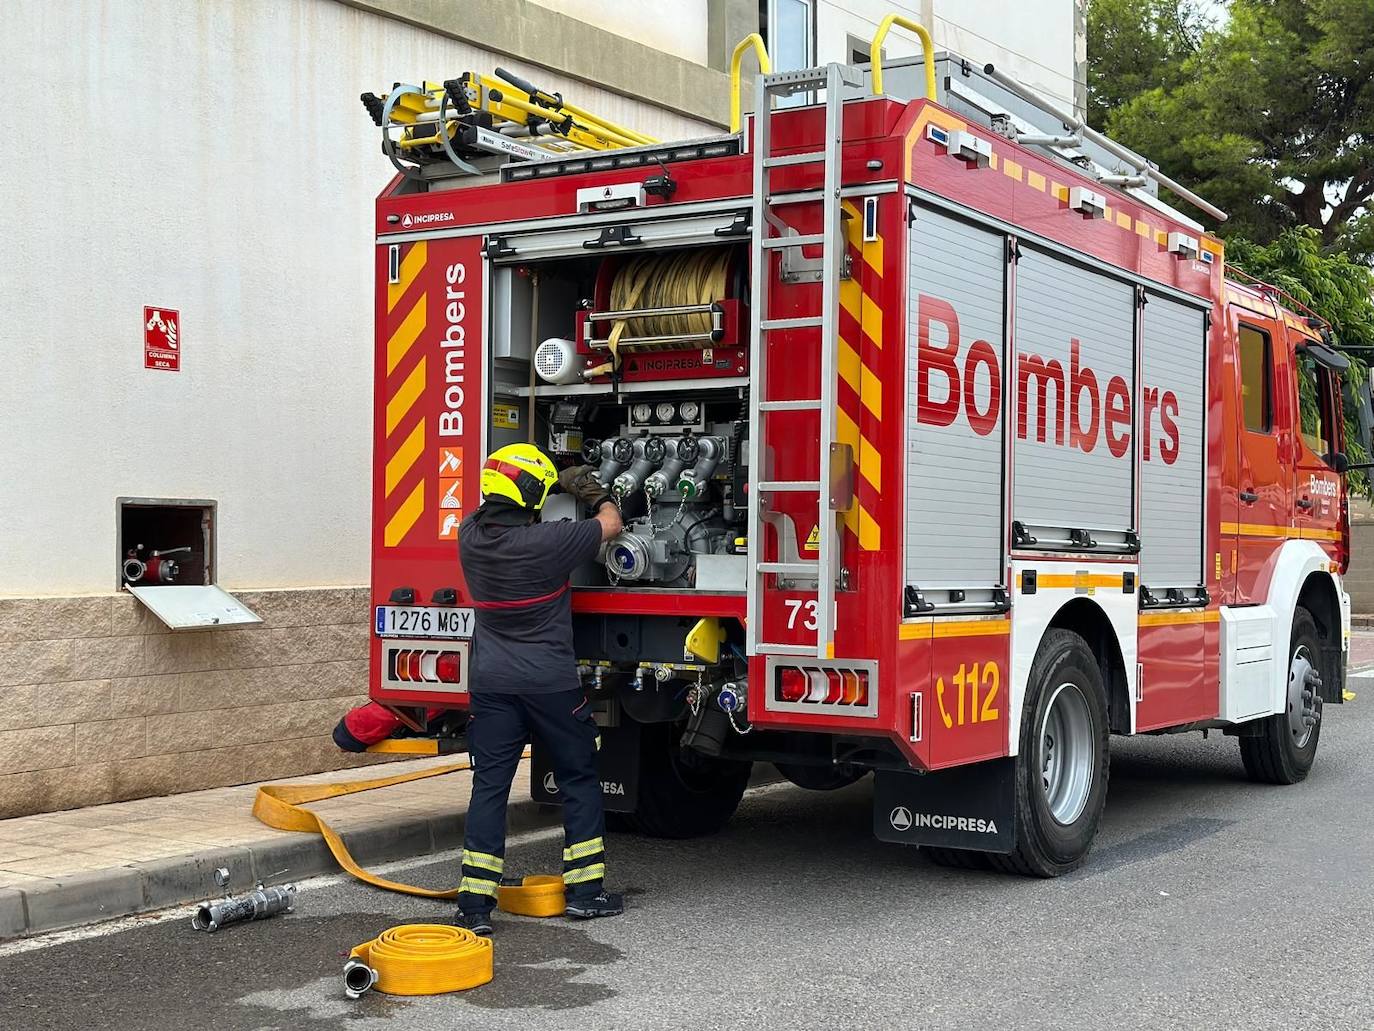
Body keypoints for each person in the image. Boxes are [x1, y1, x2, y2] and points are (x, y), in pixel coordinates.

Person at [453, 442, 625, 935]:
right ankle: (586, 894)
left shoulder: (469, 537)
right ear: (531, 495)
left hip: (491, 687)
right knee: (577, 778)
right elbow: (611, 525)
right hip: (550, 685)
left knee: (489, 787)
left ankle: (475, 906)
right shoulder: (550, 542)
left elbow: (491, 511)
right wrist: (593, 491)